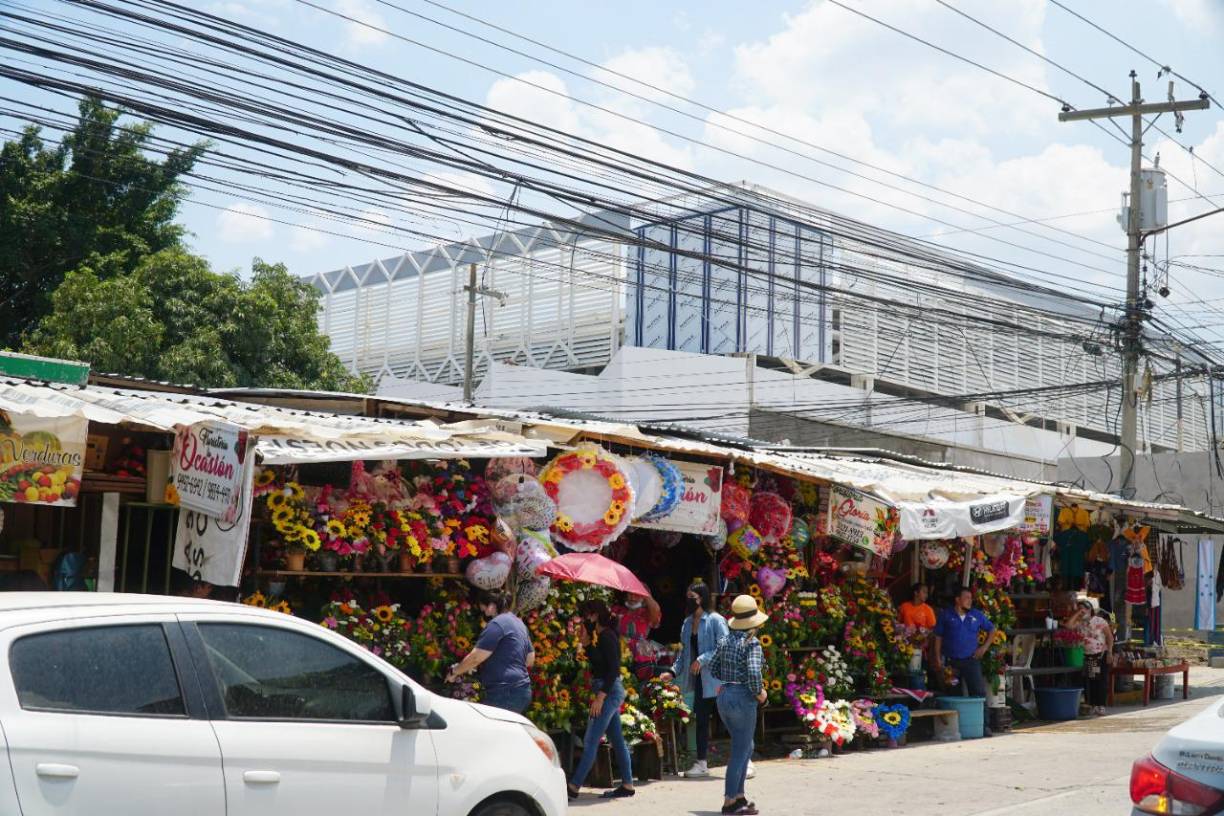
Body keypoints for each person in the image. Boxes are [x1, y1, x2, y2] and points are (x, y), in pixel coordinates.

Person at [660, 582, 729, 779]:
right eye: (688, 597)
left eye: (693, 597)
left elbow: (724, 647)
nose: (689, 601)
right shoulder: (687, 623)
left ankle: (745, 758)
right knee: (701, 719)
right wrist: (672, 672)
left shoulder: (716, 620)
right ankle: (701, 762)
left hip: (719, 678)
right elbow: (684, 654)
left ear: (702, 598)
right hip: (700, 680)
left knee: (729, 718)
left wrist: (702, 659)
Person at [568, 599, 635, 801]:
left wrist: (600, 698)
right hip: (606, 690)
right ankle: (627, 785)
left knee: (591, 740)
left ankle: (573, 786)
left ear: (595, 615)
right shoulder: (599, 636)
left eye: (587, 615)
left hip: (609, 692)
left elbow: (613, 670)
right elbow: (598, 665)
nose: (584, 618)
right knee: (617, 739)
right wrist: (586, 642)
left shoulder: (607, 636)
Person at [710, 594, 768, 816]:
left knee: (745, 746)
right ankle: (730, 801)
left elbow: (713, 667)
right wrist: (761, 694)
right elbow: (753, 673)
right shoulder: (751, 643)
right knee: (741, 749)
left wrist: (731, 678)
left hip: (724, 694)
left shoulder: (725, 641)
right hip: (742, 697)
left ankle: (739, 795)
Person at [446, 590, 534, 714]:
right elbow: (530, 659)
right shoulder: (520, 624)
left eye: (484, 609)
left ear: (492, 606)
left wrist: (454, 671)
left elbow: (475, 658)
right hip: (522, 690)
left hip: (504, 692)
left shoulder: (497, 624)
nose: (484, 613)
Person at [932, 587, 999, 733]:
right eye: (966, 598)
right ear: (957, 599)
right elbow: (938, 637)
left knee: (979, 693)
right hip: (951, 663)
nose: (970, 601)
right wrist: (937, 658)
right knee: (953, 695)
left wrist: (983, 648)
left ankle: (984, 726)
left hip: (971, 661)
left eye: (971, 598)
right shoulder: (946, 615)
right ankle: (956, 728)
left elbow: (992, 629)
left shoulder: (976, 614)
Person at [1069, 599, 1115, 715]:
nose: (1081, 612)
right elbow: (1069, 626)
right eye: (1079, 609)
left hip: (1101, 654)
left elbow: (1109, 637)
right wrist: (1077, 614)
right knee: (1090, 681)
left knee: (1101, 681)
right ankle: (1092, 704)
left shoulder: (1099, 621)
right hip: (1088, 655)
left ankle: (1101, 705)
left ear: (1090, 609)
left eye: (1083, 609)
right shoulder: (1079, 623)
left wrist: (1110, 652)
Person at [617, 592, 662, 678]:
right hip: (619, 654)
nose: (633, 598)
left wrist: (645, 593)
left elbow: (656, 611)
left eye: (637, 595)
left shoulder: (647, 613)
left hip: (642, 657)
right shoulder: (618, 610)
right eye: (630, 594)